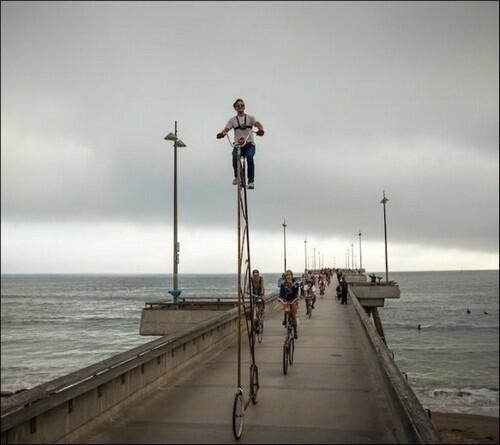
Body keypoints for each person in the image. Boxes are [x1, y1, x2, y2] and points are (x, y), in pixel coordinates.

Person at [216, 98, 264, 190]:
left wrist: (260, 130)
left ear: (244, 107)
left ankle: (250, 181)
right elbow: (226, 129)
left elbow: (258, 124)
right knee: (235, 156)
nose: (240, 107)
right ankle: (237, 177)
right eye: (238, 106)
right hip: (238, 145)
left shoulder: (250, 118)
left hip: (249, 144)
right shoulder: (232, 120)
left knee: (250, 156)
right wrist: (222, 134)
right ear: (235, 108)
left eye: (242, 105)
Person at [279, 270, 300, 339]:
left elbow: (296, 293)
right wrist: (281, 298)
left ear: (292, 276)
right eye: (287, 275)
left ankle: (295, 331)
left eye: (289, 275)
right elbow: (281, 293)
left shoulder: (296, 283)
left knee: (293, 316)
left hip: (293, 299)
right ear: (285, 277)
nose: (288, 276)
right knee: (286, 309)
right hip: (286, 300)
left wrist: (292, 285)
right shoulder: (283, 284)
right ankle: (286, 318)